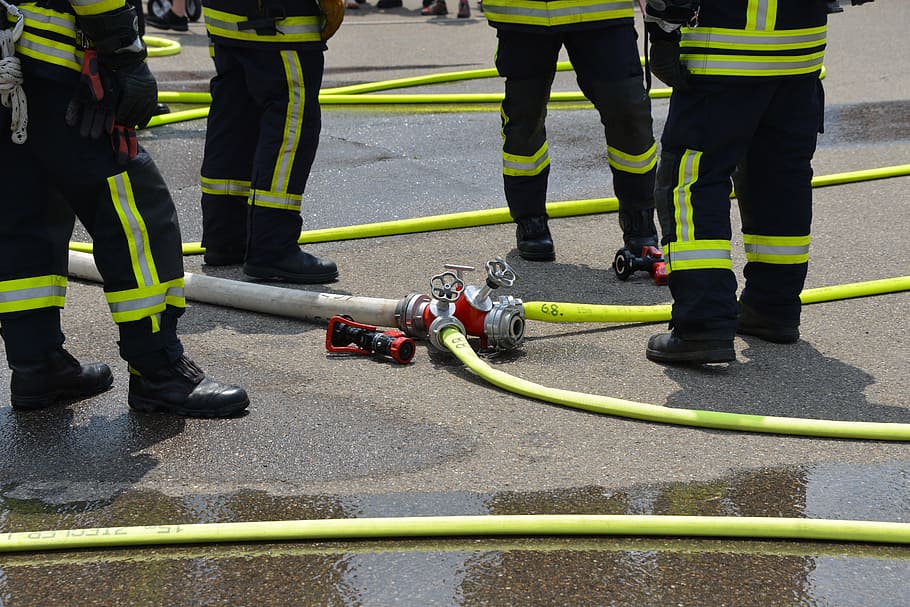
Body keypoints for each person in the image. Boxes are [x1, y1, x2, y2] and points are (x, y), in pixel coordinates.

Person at [0, 0, 249, 417]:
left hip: (12, 65)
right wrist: (125, 56)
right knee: (135, 213)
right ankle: (160, 369)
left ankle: (37, 365)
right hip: (54, 63)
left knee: (25, 213)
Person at [644, 0, 874, 364]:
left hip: (722, 49)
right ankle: (772, 307)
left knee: (691, 181)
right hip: (801, 50)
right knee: (779, 178)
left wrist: (663, 27)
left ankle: (703, 325)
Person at [481, 0, 659, 264]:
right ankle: (531, 221)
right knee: (524, 119)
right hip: (522, 14)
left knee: (629, 113)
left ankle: (640, 222)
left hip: (602, 10)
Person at [198, 0, 344, 284]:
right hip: (277, 20)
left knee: (235, 115)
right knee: (291, 120)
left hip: (225, 17)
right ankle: (271, 246)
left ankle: (227, 237)